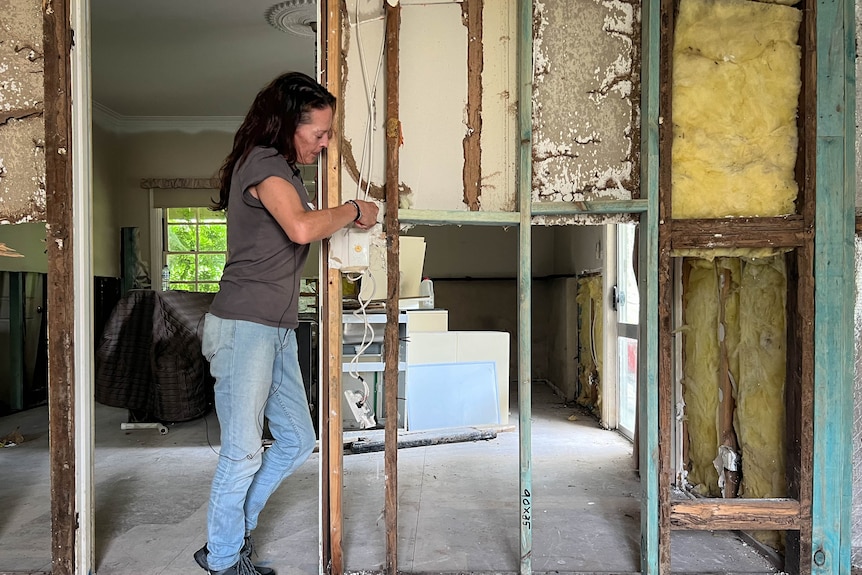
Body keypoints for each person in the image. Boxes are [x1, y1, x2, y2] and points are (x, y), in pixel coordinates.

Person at [194, 71, 379, 575]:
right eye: (318, 133)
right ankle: (224, 558)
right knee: (241, 453)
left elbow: (300, 225)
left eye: (328, 133)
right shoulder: (263, 163)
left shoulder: (286, 174)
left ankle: (233, 535)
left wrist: (340, 215)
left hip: (274, 328)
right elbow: (300, 227)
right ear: (285, 125)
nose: (324, 143)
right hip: (243, 328)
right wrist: (354, 209)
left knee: (297, 439)